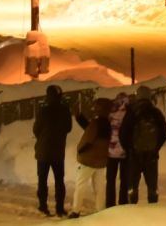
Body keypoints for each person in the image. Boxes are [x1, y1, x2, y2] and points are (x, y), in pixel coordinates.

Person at [119, 88, 166, 204]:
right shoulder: (155, 112)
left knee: (133, 187)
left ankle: (133, 212)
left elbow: (123, 134)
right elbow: (165, 133)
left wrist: (129, 149)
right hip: (151, 156)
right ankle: (153, 211)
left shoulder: (131, 112)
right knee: (152, 187)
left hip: (134, 156)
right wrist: (156, 147)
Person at [33, 85, 74, 217]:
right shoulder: (65, 110)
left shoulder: (43, 111)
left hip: (43, 151)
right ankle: (60, 208)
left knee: (42, 180)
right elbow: (68, 128)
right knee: (59, 180)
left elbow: (36, 129)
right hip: (58, 151)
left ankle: (43, 206)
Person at [72, 97, 112, 218]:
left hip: (88, 160)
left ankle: (76, 211)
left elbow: (88, 138)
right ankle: (100, 211)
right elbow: (90, 128)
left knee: (80, 186)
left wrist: (79, 150)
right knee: (99, 188)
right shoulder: (109, 124)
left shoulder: (96, 123)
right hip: (101, 161)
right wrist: (79, 117)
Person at [105, 92, 131, 208]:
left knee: (110, 180)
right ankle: (123, 203)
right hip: (125, 152)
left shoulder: (110, 114)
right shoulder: (130, 114)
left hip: (111, 151)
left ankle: (110, 204)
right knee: (124, 179)